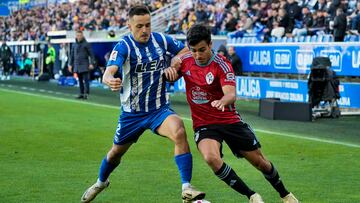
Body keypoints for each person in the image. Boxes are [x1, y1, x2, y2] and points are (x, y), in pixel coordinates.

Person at [80, 5, 205, 203]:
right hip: (132, 114)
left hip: (159, 109)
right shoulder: (123, 46)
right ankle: (101, 182)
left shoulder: (161, 39)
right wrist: (109, 79)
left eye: (148, 25)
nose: (145, 30)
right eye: (139, 26)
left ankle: (186, 189)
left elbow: (185, 52)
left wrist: (175, 62)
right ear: (129, 26)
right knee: (115, 154)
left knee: (179, 130)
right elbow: (109, 70)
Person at [164, 24, 299, 203]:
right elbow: (171, 70)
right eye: (194, 50)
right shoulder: (185, 61)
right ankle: (251, 195)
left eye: (202, 50)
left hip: (229, 121)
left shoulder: (222, 64)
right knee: (211, 158)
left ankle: (285, 195)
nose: (198, 55)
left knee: (261, 163)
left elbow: (231, 94)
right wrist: (170, 71)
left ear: (210, 45)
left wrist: (223, 101)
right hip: (204, 125)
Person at [68, 30, 96, 99]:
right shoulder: (74, 44)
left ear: (82, 36)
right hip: (77, 65)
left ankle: (86, 94)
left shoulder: (86, 44)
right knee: (80, 80)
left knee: (86, 80)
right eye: (77, 35)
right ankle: (81, 93)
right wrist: (70, 64)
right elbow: (71, 55)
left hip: (84, 64)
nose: (78, 37)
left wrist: (92, 63)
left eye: (80, 35)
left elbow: (91, 55)